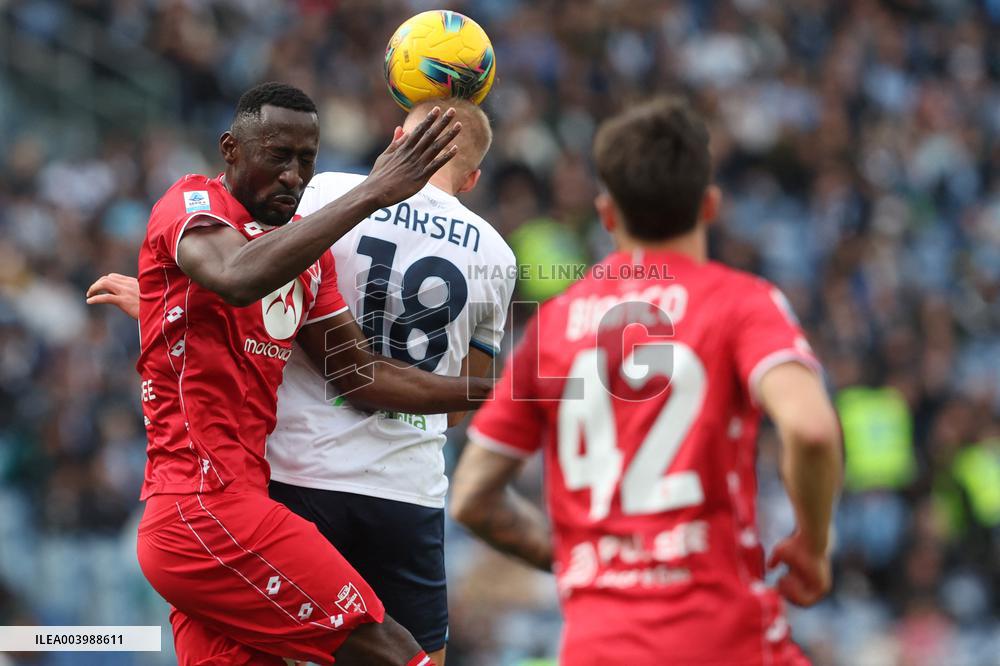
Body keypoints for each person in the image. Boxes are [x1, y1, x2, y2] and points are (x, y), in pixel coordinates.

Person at [88, 98, 516, 666]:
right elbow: (236, 277)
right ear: (230, 150)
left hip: (240, 504)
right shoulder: (192, 203)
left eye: (306, 160)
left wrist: (498, 391)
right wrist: (371, 193)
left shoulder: (309, 258)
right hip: (207, 510)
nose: (293, 175)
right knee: (397, 654)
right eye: (279, 156)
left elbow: (357, 372)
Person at [449, 97, 843, 665]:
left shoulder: (556, 323)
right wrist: (813, 545)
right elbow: (810, 430)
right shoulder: (742, 304)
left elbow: (471, 499)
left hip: (595, 646)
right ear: (710, 205)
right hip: (721, 639)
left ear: (607, 213)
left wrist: (593, 565)